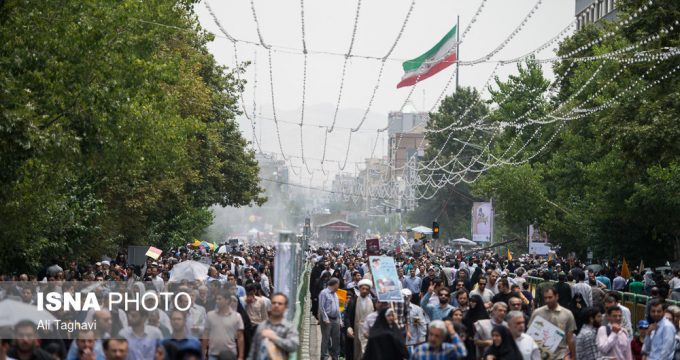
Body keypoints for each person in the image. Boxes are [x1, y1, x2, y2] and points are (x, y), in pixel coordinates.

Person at [528, 287, 576, 360]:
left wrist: (573, 356)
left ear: (557, 296)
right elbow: (530, 335)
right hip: (539, 356)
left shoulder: (567, 314)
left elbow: (570, 338)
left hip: (559, 356)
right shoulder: (537, 313)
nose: (547, 300)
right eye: (545, 298)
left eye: (550, 297)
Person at [247, 293, 299, 360]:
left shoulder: (289, 327)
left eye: (280, 304)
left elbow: (293, 345)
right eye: (274, 303)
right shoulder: (262, 326)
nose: (276, 305)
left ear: (286, 307)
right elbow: (253, 351)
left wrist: (275, 338)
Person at [203, 291, 245, 360]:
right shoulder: (210, 315)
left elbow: (240, 337)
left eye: (219, 299)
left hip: (230, 355)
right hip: (213, 354)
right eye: (216, 299)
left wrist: (241, 356)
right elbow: (206, 334)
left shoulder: (237, 316)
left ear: (227, 300)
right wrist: (203, 353)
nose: (217, 301)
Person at [345, 279, 375, 360]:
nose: (365, 291)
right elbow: (347, 316)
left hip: (367, 332)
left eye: (367, 289)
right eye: (363, 289)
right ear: (360, 289)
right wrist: (348, 327)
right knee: (355, 353)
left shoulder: (372, 302)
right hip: (355, 331)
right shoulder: (353, 301)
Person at [319, 278, 342, 360]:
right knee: (326, 338)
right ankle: (324, 356)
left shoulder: (335, 294)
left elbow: (338, 308)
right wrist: (325, 318)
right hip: (327, 319)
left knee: (336, 339)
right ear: (335, 284)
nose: (338, 286)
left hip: (336, 319)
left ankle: (335, 356)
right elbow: (321, 307)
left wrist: (340, 320)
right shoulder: (324, 293)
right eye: (338, 285)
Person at [402, 289, 429, 353]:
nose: (405, 298)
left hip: (413, 341)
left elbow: (419, 324)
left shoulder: (416, 310)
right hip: (400, 341)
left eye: (407, 296)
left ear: (410, 297)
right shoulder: (395, 310)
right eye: (403, 296)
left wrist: (421, 338)